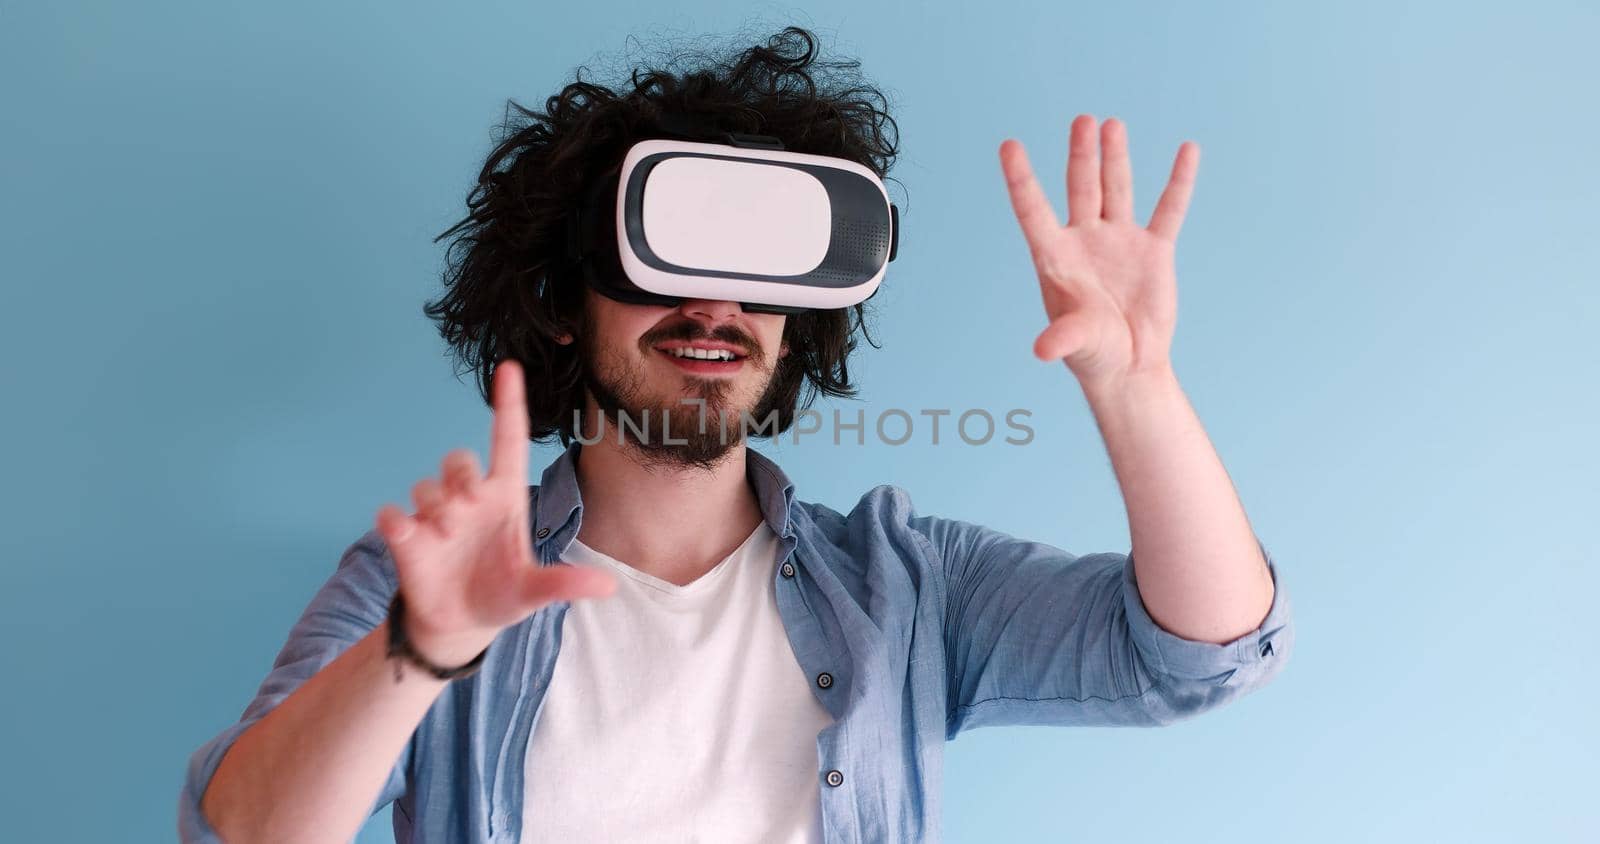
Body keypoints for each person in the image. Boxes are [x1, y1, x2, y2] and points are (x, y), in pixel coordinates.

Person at [179, 26, 1293, 844]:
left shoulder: (909, 587)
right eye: (665, 266)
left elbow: (1198, 654)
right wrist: (418, 653)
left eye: (754, 277)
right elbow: (238, 829)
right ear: (566, 300)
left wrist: (1137, 383)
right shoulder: (425, 588)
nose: (713, 310)